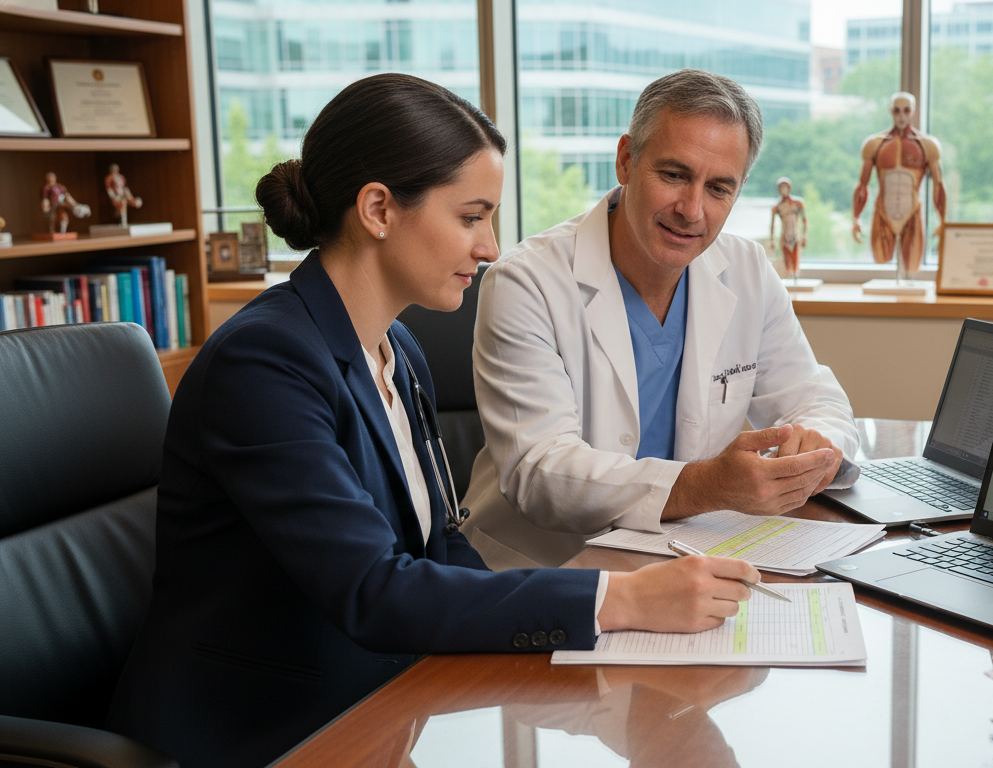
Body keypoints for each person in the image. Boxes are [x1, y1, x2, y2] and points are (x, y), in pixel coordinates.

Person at [106, 73, 760, 768]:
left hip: (383, 706)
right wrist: (618, 600)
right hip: (261, 733)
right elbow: (375, 590)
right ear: (380, 209)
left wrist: (586, 626)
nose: (489, 247)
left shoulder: (397, 347)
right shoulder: (264, 364)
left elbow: (442, 550)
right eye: (472, 216)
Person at [461, 69, 859, 570]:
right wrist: (704, 484)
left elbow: (816, 398)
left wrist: (815, 446)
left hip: (685, 559)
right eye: (674, 175)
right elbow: (540, 471)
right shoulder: (526, 281)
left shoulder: (747, 270)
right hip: (545, 572)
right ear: (626, 159)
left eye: (719, 188)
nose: (692, 209)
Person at [851, 92, 946, 277]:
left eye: (906, 111)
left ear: (913, 112)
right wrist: (856, 218)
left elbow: (938, 185)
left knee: (912, 268)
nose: (901, 116)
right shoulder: (874, 144)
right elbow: (862, 185)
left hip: (912, 212)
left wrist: (943, 220)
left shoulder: (928, 145)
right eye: (897, 111)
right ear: (890, 112)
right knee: (881, 260)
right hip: (883, 211)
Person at [769, 176, 807, 277]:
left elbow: (804, 220)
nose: (783, 190)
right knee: (786, 259)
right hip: (784, 235)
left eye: (785, 187)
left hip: (795, 234)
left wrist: (804, 236)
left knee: (795, 256)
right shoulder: (777, 207)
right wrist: (772, 240)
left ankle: (795, 275)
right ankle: (789, 275)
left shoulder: (798, 203)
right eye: (781, 188)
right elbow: (772, 225)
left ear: (789, 188)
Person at [104, 163, 143, 227]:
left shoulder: (121, 177)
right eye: (113, 169)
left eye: (116, 169)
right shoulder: (109, 178)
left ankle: (135, 203)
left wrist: (130, 196)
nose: (115, 170)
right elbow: (109, 189)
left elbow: (125, 188)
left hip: (123, 194)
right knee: (122, 204)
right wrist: (113, 197)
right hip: (116, 196)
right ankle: (123, 223)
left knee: (136, 203)